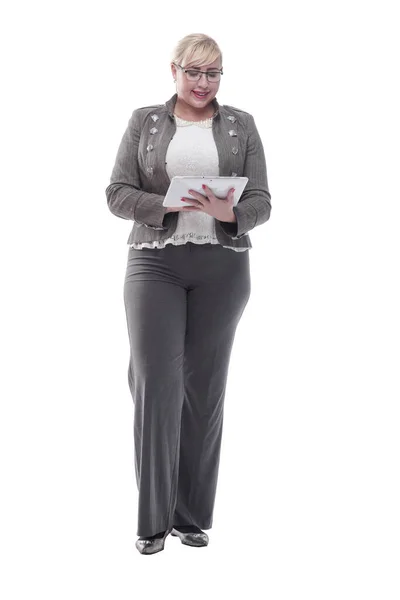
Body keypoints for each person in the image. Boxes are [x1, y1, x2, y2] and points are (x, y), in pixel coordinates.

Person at [105, 33, 272, 555]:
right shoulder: (145, 122)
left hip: (223, 267)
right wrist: (168, 206)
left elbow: (264, 200)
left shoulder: (241, 124)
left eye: (214, 73)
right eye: (194, 72)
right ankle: (152, 520)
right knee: (156, 383)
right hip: (155, 262)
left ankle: (191, 517)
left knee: (205, 389)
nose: (204, 83)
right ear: (174, 71)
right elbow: (116, 193)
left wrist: (233, 215)